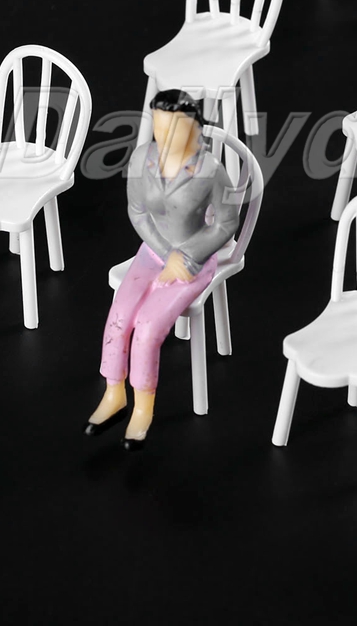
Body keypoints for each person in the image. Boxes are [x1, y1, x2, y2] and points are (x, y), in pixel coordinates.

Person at [85, 89, 240, 447]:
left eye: (174, 128)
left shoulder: (211, 171)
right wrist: (164, 252)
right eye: (158, 126)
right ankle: (113, 393)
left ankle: (143, 407)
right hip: (153, 252)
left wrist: (185, 257)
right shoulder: (143, 158)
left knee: (149, 326)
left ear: (194, 127)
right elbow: (137, 212)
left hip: (194, 259)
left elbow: (226, 223)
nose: (164, 136)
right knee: (119, 316)